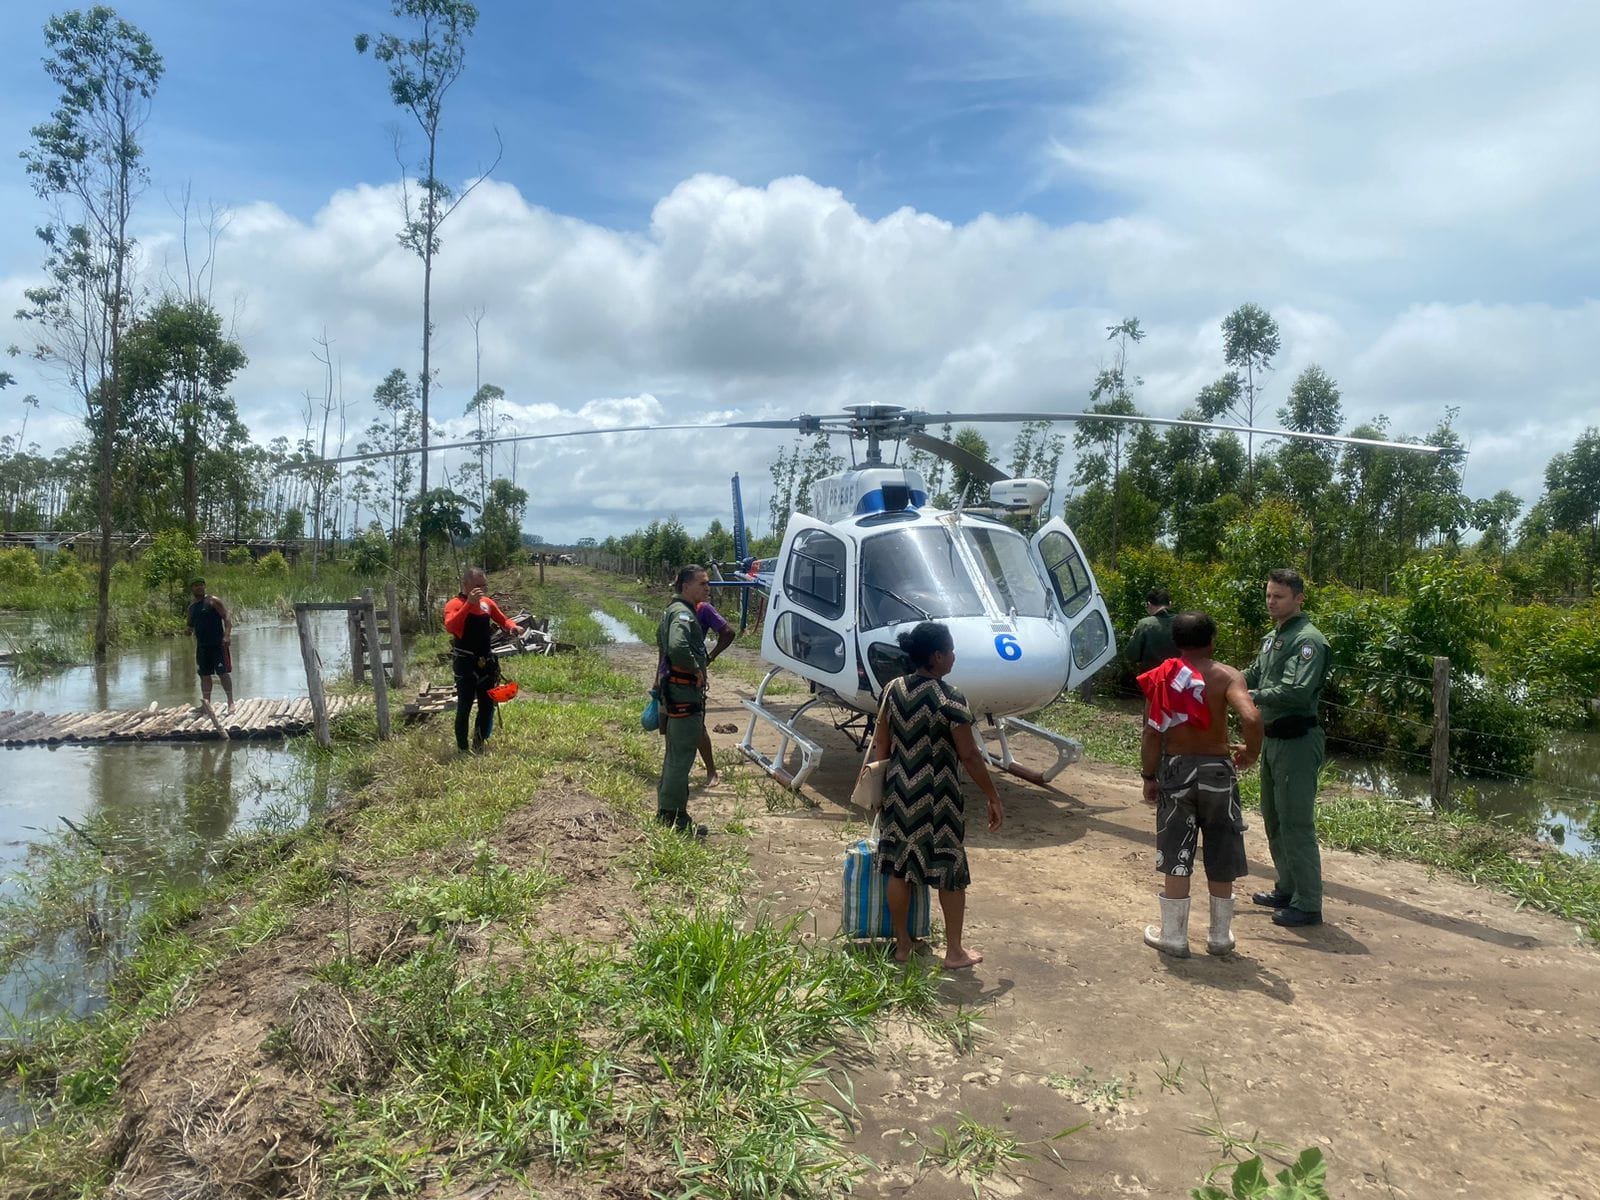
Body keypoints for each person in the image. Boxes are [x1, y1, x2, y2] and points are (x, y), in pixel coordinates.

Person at [867, 621, 1004, 968]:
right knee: (949, 870)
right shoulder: (951, 698)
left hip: (898, 791)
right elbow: (970, 755)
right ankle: (955, 952)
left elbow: (881, 743)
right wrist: (992, 795)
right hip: (938, 798)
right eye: (951, 650)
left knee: (900, 868)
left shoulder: (892, 690)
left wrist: (875, 787)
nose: (955, 656)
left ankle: (903, 946)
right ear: (938, 656)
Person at [1138, 611, 1263, 957]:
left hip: (1177, 770)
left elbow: (1152, 732)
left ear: (1176, 643)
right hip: (1218, 771)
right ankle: (1220, 937)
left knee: (1177, 849)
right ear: (1212, 641)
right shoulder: (1227, 676)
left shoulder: (1164, 677)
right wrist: (1251, 752)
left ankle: (1174, 937)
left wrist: (1149, 776)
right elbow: (1251, 716)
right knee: (1222, 846)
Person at [1243, 568, 1331, 928]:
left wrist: (1248, 696)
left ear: (1299, 599)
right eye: (1268, 595)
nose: (1271, 601)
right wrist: (1213, 678)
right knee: (1274, 819)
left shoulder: (1309, 641)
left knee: (1296, 823)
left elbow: (1297, 691)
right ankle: (1288, 887)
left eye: (1278, 596)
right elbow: (1252, 673)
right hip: (1272, 739)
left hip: (1297, 741)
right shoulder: (1273, 637)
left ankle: (1308, 904)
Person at [656, 565, 712, 836]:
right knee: (681, 756)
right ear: (686, 586)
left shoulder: (672, 611)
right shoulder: (683, 615)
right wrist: (696, 670)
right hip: (684, 694)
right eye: (702, 583)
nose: (707, 588)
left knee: (674, 754)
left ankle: (668, 810)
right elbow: (677, 647)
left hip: (674, 693)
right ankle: (674, 817)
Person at [443, 567, 522, 753]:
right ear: (466, 584)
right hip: (465, 663)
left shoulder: (487, 603)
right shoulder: (453, 604)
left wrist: (513, 627)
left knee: (487, 706)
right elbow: (450, 626)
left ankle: (479, 745)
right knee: (465, 706)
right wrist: (468, 604)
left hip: (486, 663)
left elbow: (503, 620)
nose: (482, 590)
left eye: (484, 585)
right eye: (478, 586)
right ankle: (462, 749)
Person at [694, 595, 737, 784]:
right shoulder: (675, 609)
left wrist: (710, 657)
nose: (706, 589)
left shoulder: (703, 609)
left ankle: (711, 771)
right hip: (671, 672)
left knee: (696, 724)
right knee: (670, 722)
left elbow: (728, 632)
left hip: (694, 674)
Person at [186, 579, 234, 714]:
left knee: (222, 673)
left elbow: (226, 616)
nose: (199, 587)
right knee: (204, 675)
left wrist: (227, 635)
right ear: (192, 589)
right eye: (196, 585)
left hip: (218, 644)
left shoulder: (213, 601)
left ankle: (231, 702)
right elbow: (189, 626)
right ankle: (206, 705)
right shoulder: (192, 608)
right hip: (202, 646)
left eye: (201, 585)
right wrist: (187, 631)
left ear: (205, 587)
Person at [1125, 587, 1178, 673]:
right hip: (1179, 678)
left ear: (1149, 604)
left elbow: (1131, 655)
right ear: (1170, 604)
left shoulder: (1144, 624)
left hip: (1152, 679)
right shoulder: (1183, 622)